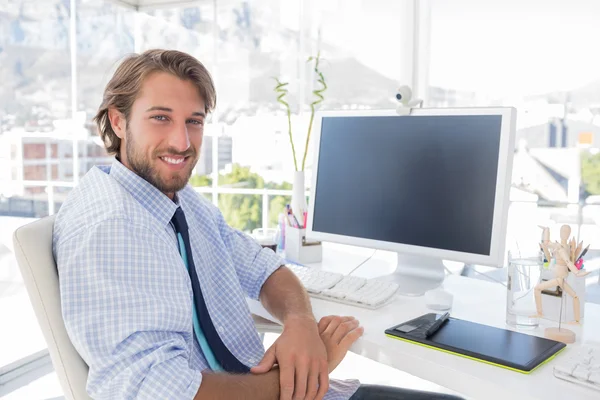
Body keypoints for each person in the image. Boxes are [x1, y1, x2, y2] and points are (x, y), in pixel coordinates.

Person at [53, 49, 464, 400]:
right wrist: (296, 379)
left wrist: (300, 325)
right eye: (161, 118)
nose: (182, 142)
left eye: (194, 121)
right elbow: (155, 388)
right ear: (119, 122)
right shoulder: (111, 226)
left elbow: (262, 267)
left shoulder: (175, 203)